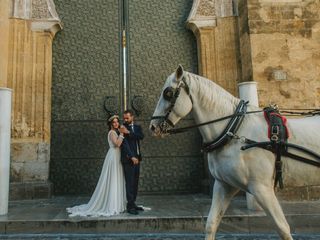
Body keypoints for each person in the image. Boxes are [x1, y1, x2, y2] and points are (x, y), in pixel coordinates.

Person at [66, 115, 127, 217]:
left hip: (117, 156)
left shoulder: (115, 132)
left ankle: (117, 203)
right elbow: (117, 144)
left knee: (117, 177)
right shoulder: (112, 132)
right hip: (113, 156)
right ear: (111, 124)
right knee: (113, 178)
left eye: (117, 122)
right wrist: (121, 134)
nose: (116, 124)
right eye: (114, 122)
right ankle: (112, 205)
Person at [121, 110, 144, 215]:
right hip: (128, 159)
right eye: (124, 118)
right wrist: (131, 157)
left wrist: (129, 133)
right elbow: (124, 144)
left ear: (132, 117)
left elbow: (141, 136)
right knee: (129, 183)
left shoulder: (137, 127)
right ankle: (130, 206)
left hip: (138, 159)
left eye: (127, 118)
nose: (125, 120)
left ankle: (133, 203)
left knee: (135, 182)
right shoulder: (122, 128)